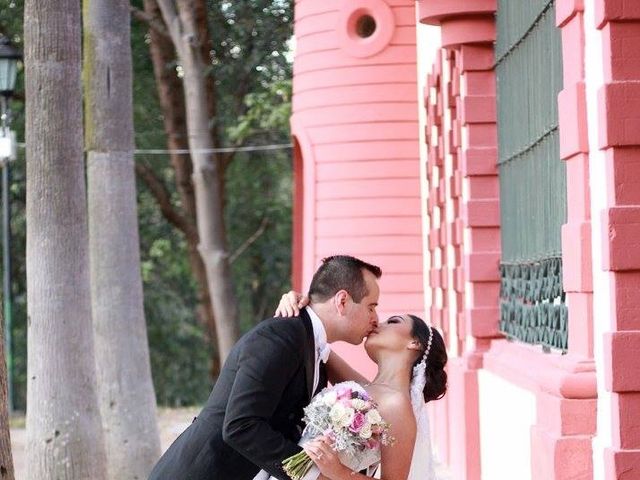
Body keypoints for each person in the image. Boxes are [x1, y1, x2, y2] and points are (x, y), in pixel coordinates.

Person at [148, 255, 381, 480]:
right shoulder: (279, 337)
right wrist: (315, 476)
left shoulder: (310, 345)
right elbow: (241, 425)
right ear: (342, 301)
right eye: (371, 307)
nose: (376, 319)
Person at [274, 294, 448, 480]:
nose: (378, 323)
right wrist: (296, 304)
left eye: (393, 321)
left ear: (415, 343)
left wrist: (339, 472)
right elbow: (316, 335)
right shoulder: (363, 388)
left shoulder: (397, 405)